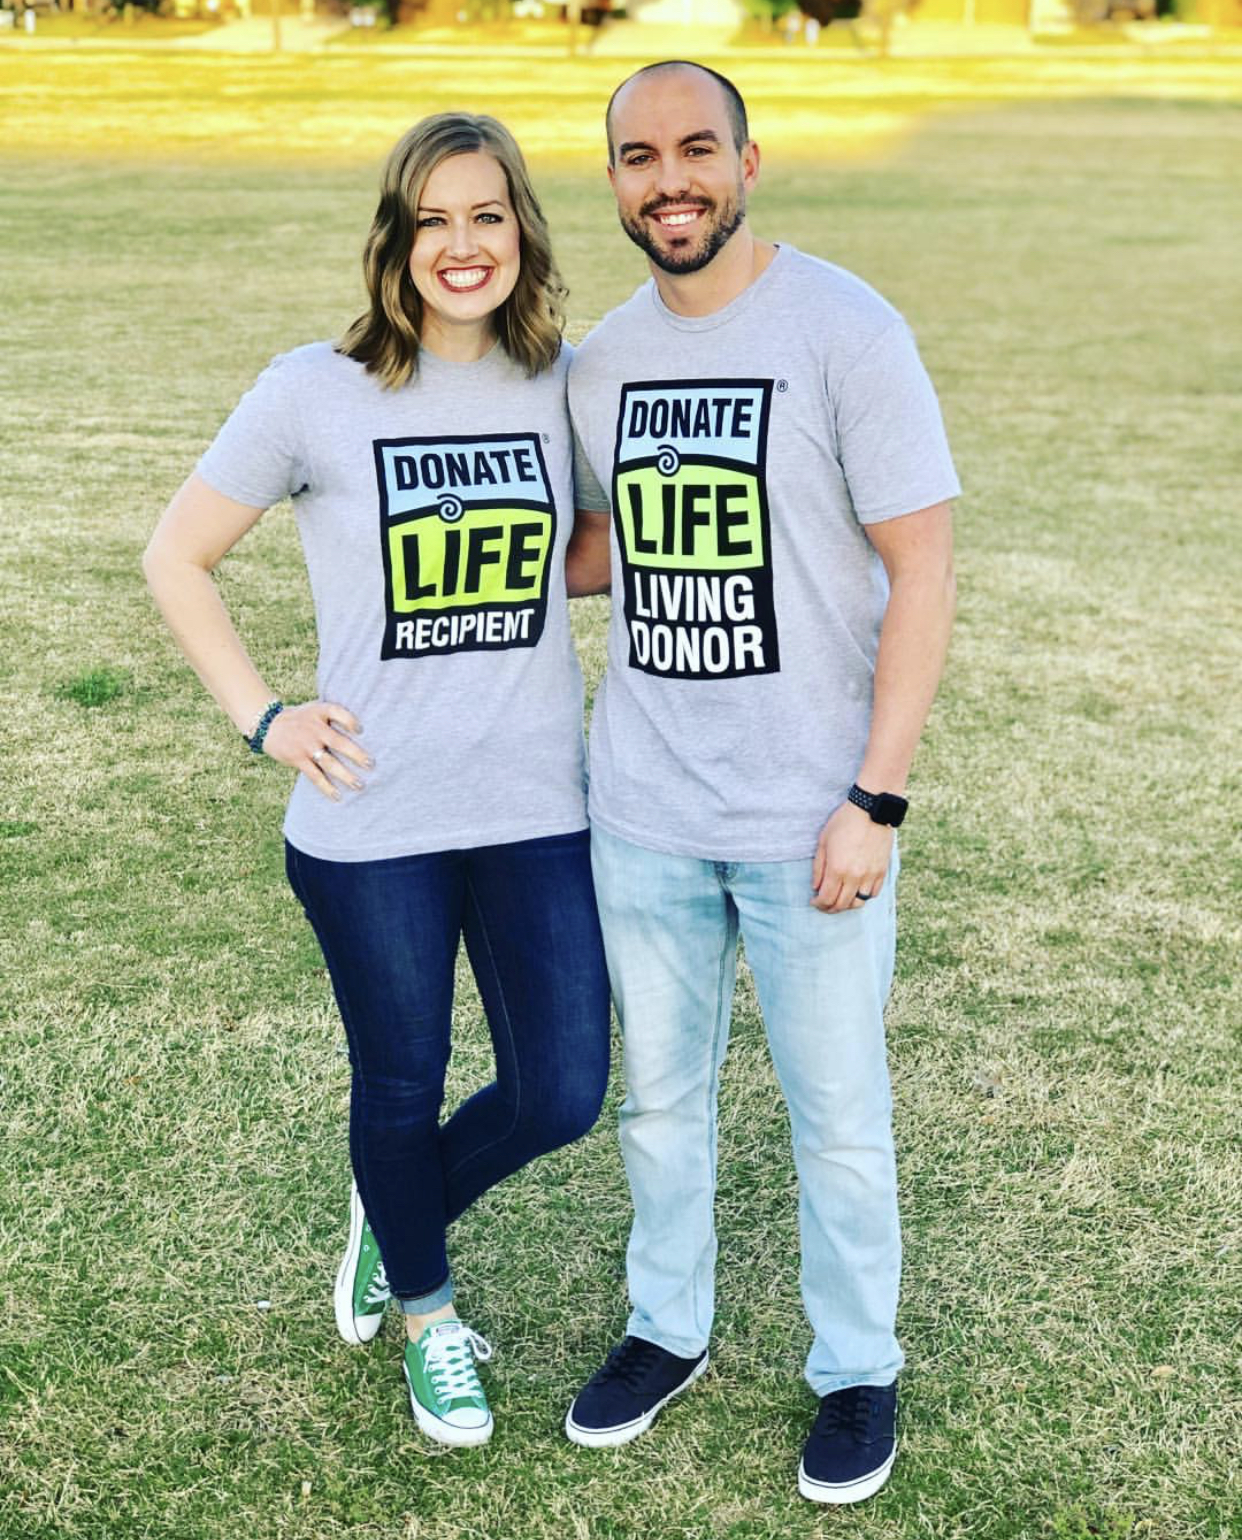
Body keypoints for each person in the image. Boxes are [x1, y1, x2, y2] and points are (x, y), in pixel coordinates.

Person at [143, 113, 612, 1449]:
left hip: (535, 807)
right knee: (400, 1087)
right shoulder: (316, 389)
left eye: (486, 216)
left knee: (561, 1090)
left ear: (521, 232)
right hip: (372, 823)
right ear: (395, 242)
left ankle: (393, 1205)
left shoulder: (560, 386)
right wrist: (265, 718)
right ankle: (425, 1310)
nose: (461, 246)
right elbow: (177, 557)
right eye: (432, 220)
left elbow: (583, 546)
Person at [561, 62, 959, 1504]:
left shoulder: (847, 329)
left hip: (811, 820)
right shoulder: (600, 362)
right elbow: (598, 543)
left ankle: (855, 1367)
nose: (668, 180)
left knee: (835, 1116)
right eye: (638, 156)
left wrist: (876, 798)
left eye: (695, 149)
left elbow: (923, 568)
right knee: (659, 1105)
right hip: (645, 809)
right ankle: (665, 1330)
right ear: (614, 178)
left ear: (746, 161)